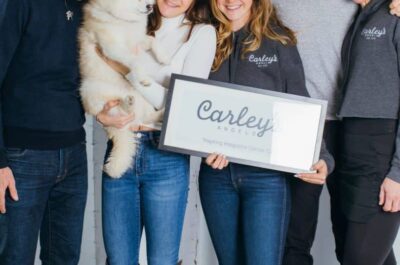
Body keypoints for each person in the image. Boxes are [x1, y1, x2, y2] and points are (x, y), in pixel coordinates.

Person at [196, 0, 334, 263]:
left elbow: (299, 102)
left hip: (266, 178)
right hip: (215, 177)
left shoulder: (279, 41)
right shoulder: (202, 37)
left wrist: (324, 158)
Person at [272, 1, 400, 264]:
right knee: (300, 238)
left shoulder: (386, 10)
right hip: (304, 124)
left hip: (363, 134)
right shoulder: (364, 13)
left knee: (355, 241)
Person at [94, 0, 216, 263]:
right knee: (118, 261)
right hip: (121, 146)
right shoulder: (127, 23)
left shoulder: (201, 34)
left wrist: (128, 70)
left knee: (163, 261)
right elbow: (99, 78)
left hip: (166, 156)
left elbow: (183, 106)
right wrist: (99, 114)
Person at [0, 0, 88, 264]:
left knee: (64, 259)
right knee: (15, 258)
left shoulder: (88, 6)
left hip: (74, 156)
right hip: (22, 159)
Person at [337, 0, 400, 264]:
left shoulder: (394, 13)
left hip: (381, 151)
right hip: (351, 146)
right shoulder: (360, 14)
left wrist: (398, 172)